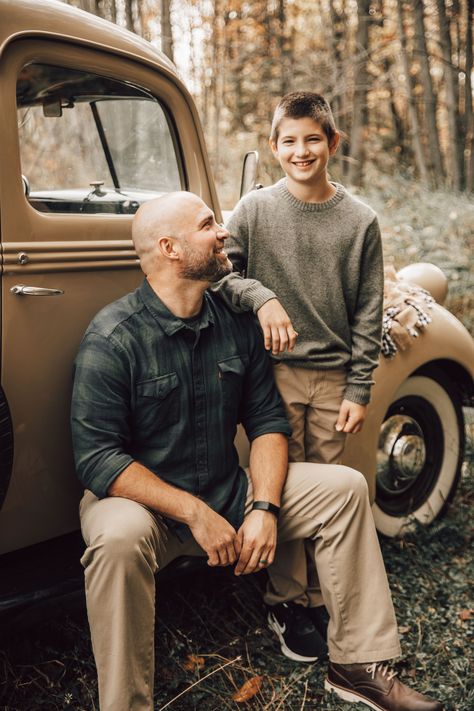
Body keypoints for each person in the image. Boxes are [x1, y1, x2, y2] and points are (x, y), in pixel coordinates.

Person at [71, 191, 443, 711]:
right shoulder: (112, 337)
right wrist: (193, 513)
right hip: (147, 510)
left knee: (344, 489)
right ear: (170, 248)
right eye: (207, 225)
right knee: (115, 537)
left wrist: (264, 508)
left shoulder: (233, 322)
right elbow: (97, 458)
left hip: (228, 489)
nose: (223, 231)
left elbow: (268, 421)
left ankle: (357, 664)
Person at [213, 89, 384, 621]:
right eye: (289, 140)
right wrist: (261, 297)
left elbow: (369, 311)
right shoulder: (254, 210)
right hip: (272, 375)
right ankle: (288, 598)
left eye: (313, 139)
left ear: (332, 142)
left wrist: (359, 388)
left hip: (334, 378)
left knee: (329, 484)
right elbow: (222, 276)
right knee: (282, 481)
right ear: (273, 146)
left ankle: (326, 596)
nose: (301, 151)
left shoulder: (360, 221)